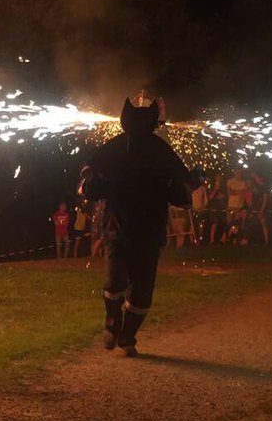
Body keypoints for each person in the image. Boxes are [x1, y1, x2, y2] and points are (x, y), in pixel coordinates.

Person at [78, 96, 193, 356]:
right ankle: (112, 324)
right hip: (117, 228)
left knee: (142, 295)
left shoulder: (161, 150)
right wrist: (91, 182)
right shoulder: (114, 147)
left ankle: (127, 336)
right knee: (115, 280)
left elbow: (180, 186)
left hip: (149, 233)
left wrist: (187, 186)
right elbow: (90, 179)